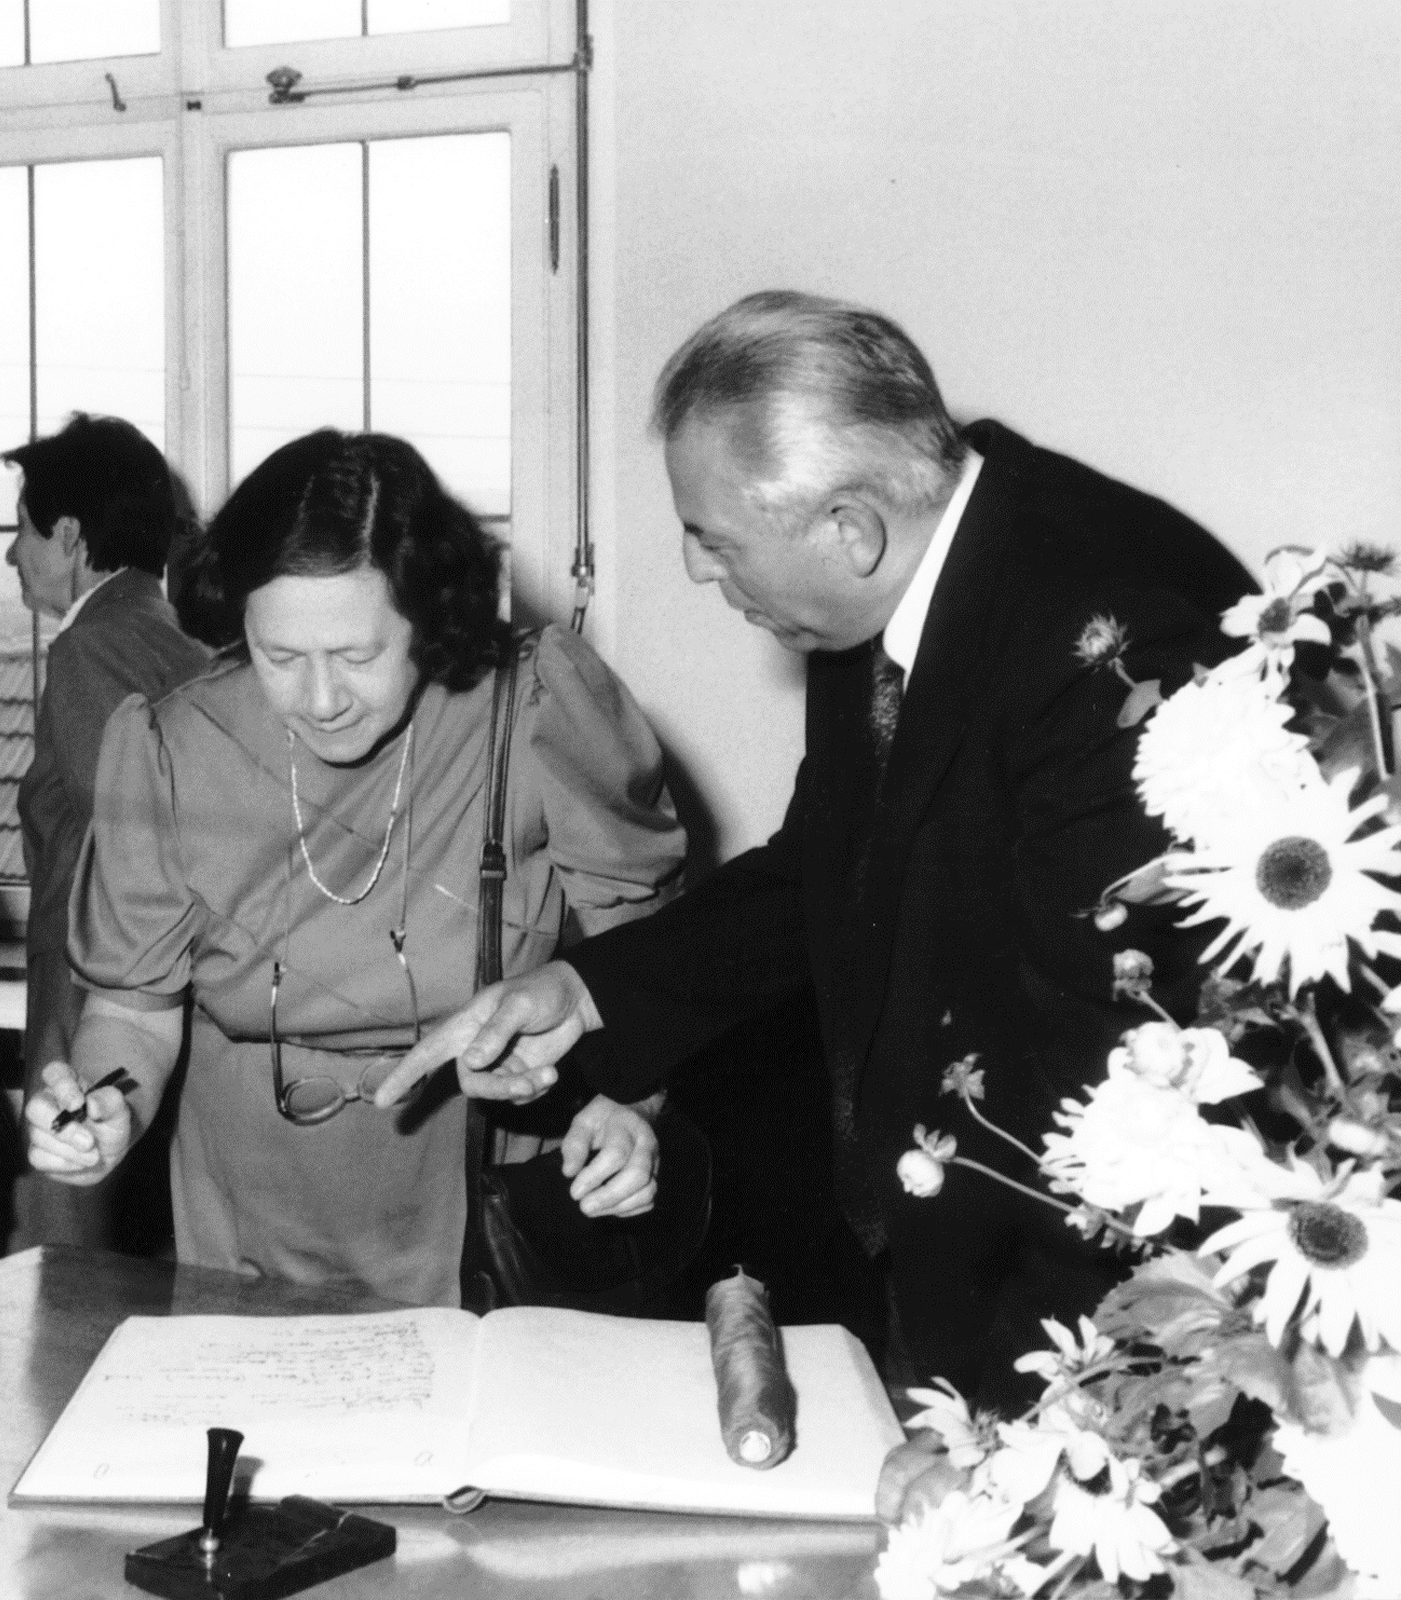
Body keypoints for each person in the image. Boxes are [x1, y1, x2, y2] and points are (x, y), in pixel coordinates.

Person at [382, 291, 1253, 1401]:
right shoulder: (894, 577)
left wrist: (1027, 1396)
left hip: (1087, 1299)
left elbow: (1116, 1061)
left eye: (713, 539)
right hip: (945, 1253)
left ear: (846, 526)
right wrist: (588, 993)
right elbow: (828, 870)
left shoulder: (1111, 630)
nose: (700, 572)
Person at [24, 429, 688, 1308]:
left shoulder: (533, 707)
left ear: (430, 614)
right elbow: (132, 1017)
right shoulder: (169, 746)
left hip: (479, 1207)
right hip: (243, 1216)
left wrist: (630, 1107)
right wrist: (108, 1108)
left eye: (358, 656)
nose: (321, 699)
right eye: (280, 658)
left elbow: (644, 952)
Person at [1, 414, 210, 1253]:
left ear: (71, 536)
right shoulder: (173, 638)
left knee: (72, 1286)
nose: (12, 555)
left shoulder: (92, 648)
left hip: (99, 1011)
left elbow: (128, 858)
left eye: (21, 530)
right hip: (157, 1021)